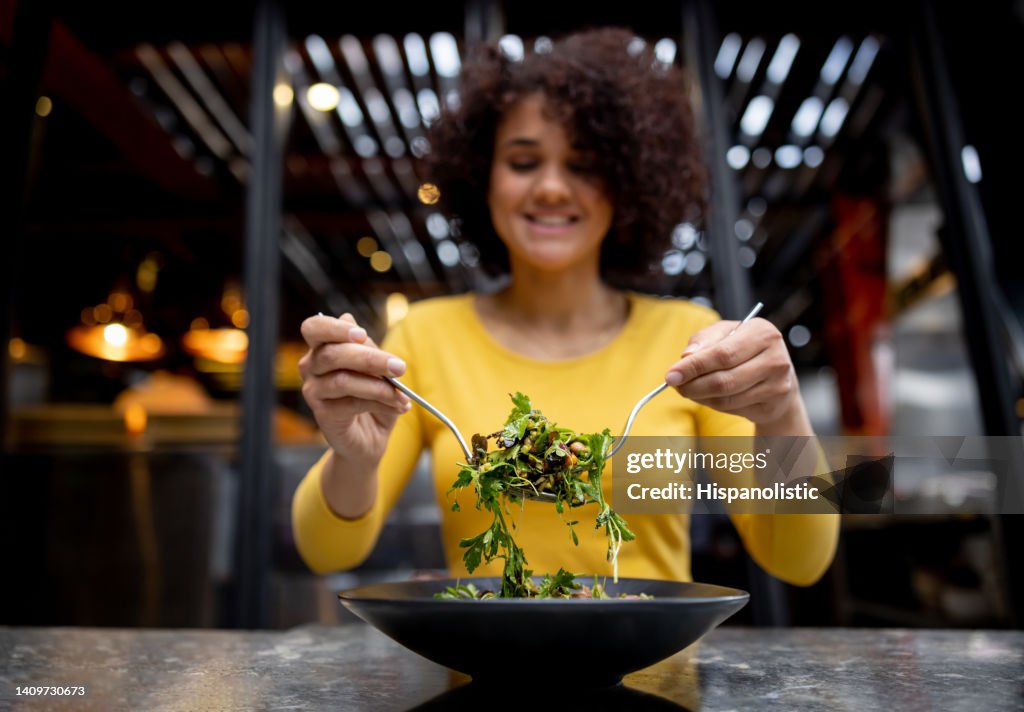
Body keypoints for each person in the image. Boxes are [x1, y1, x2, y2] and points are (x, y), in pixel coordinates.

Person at [292, 28, 838, 586]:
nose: (552, 188)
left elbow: (799, 560)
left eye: (583, 165)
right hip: (484, 665)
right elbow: (324, 553)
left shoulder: (691, 340)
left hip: (652, 668)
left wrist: (781, 414)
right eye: (524, 162)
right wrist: (354, 457)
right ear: (483, 178)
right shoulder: (425, 339)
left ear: (627, 183)